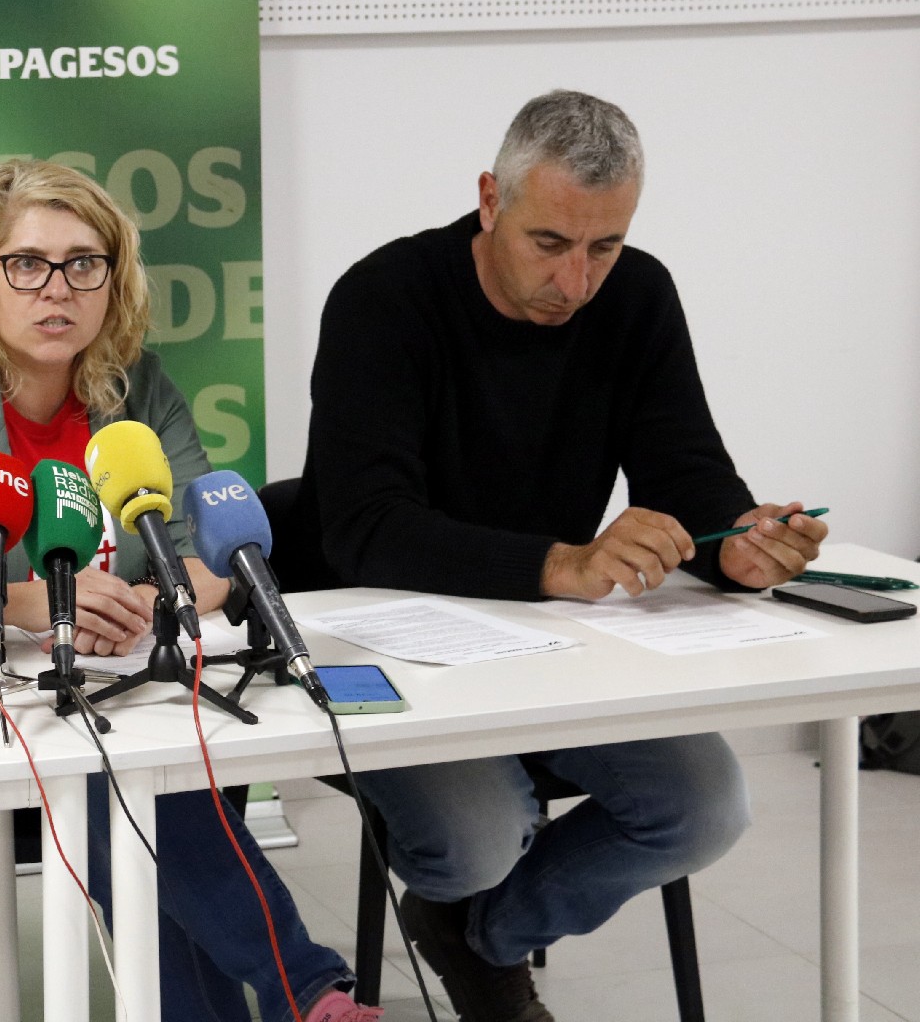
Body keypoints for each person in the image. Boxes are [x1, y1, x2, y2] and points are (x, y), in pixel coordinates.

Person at [0, 159, 381, 1022]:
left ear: (113, 278)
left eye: (83, 264)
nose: (56, 288)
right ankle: (310, 988)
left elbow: (206, 550)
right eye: (26, 264)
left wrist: (155, 603)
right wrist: (26, 604)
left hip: (117, 685)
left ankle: (303, 994)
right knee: (119, 776)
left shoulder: (138, 388)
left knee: (131, 773)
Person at [294, 90, 828, 1022]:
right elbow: (364, 525)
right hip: (382, 646)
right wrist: (559, 565)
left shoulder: (638, 295)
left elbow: (686, 471)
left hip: (552, 650)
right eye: (550, 243)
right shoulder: (384, 298)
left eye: (604, 247)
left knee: (706, 806)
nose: (576, 281)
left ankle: (480, 938)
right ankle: (476, 923)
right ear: (489, 200)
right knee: (479, 836)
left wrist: (736, 548)